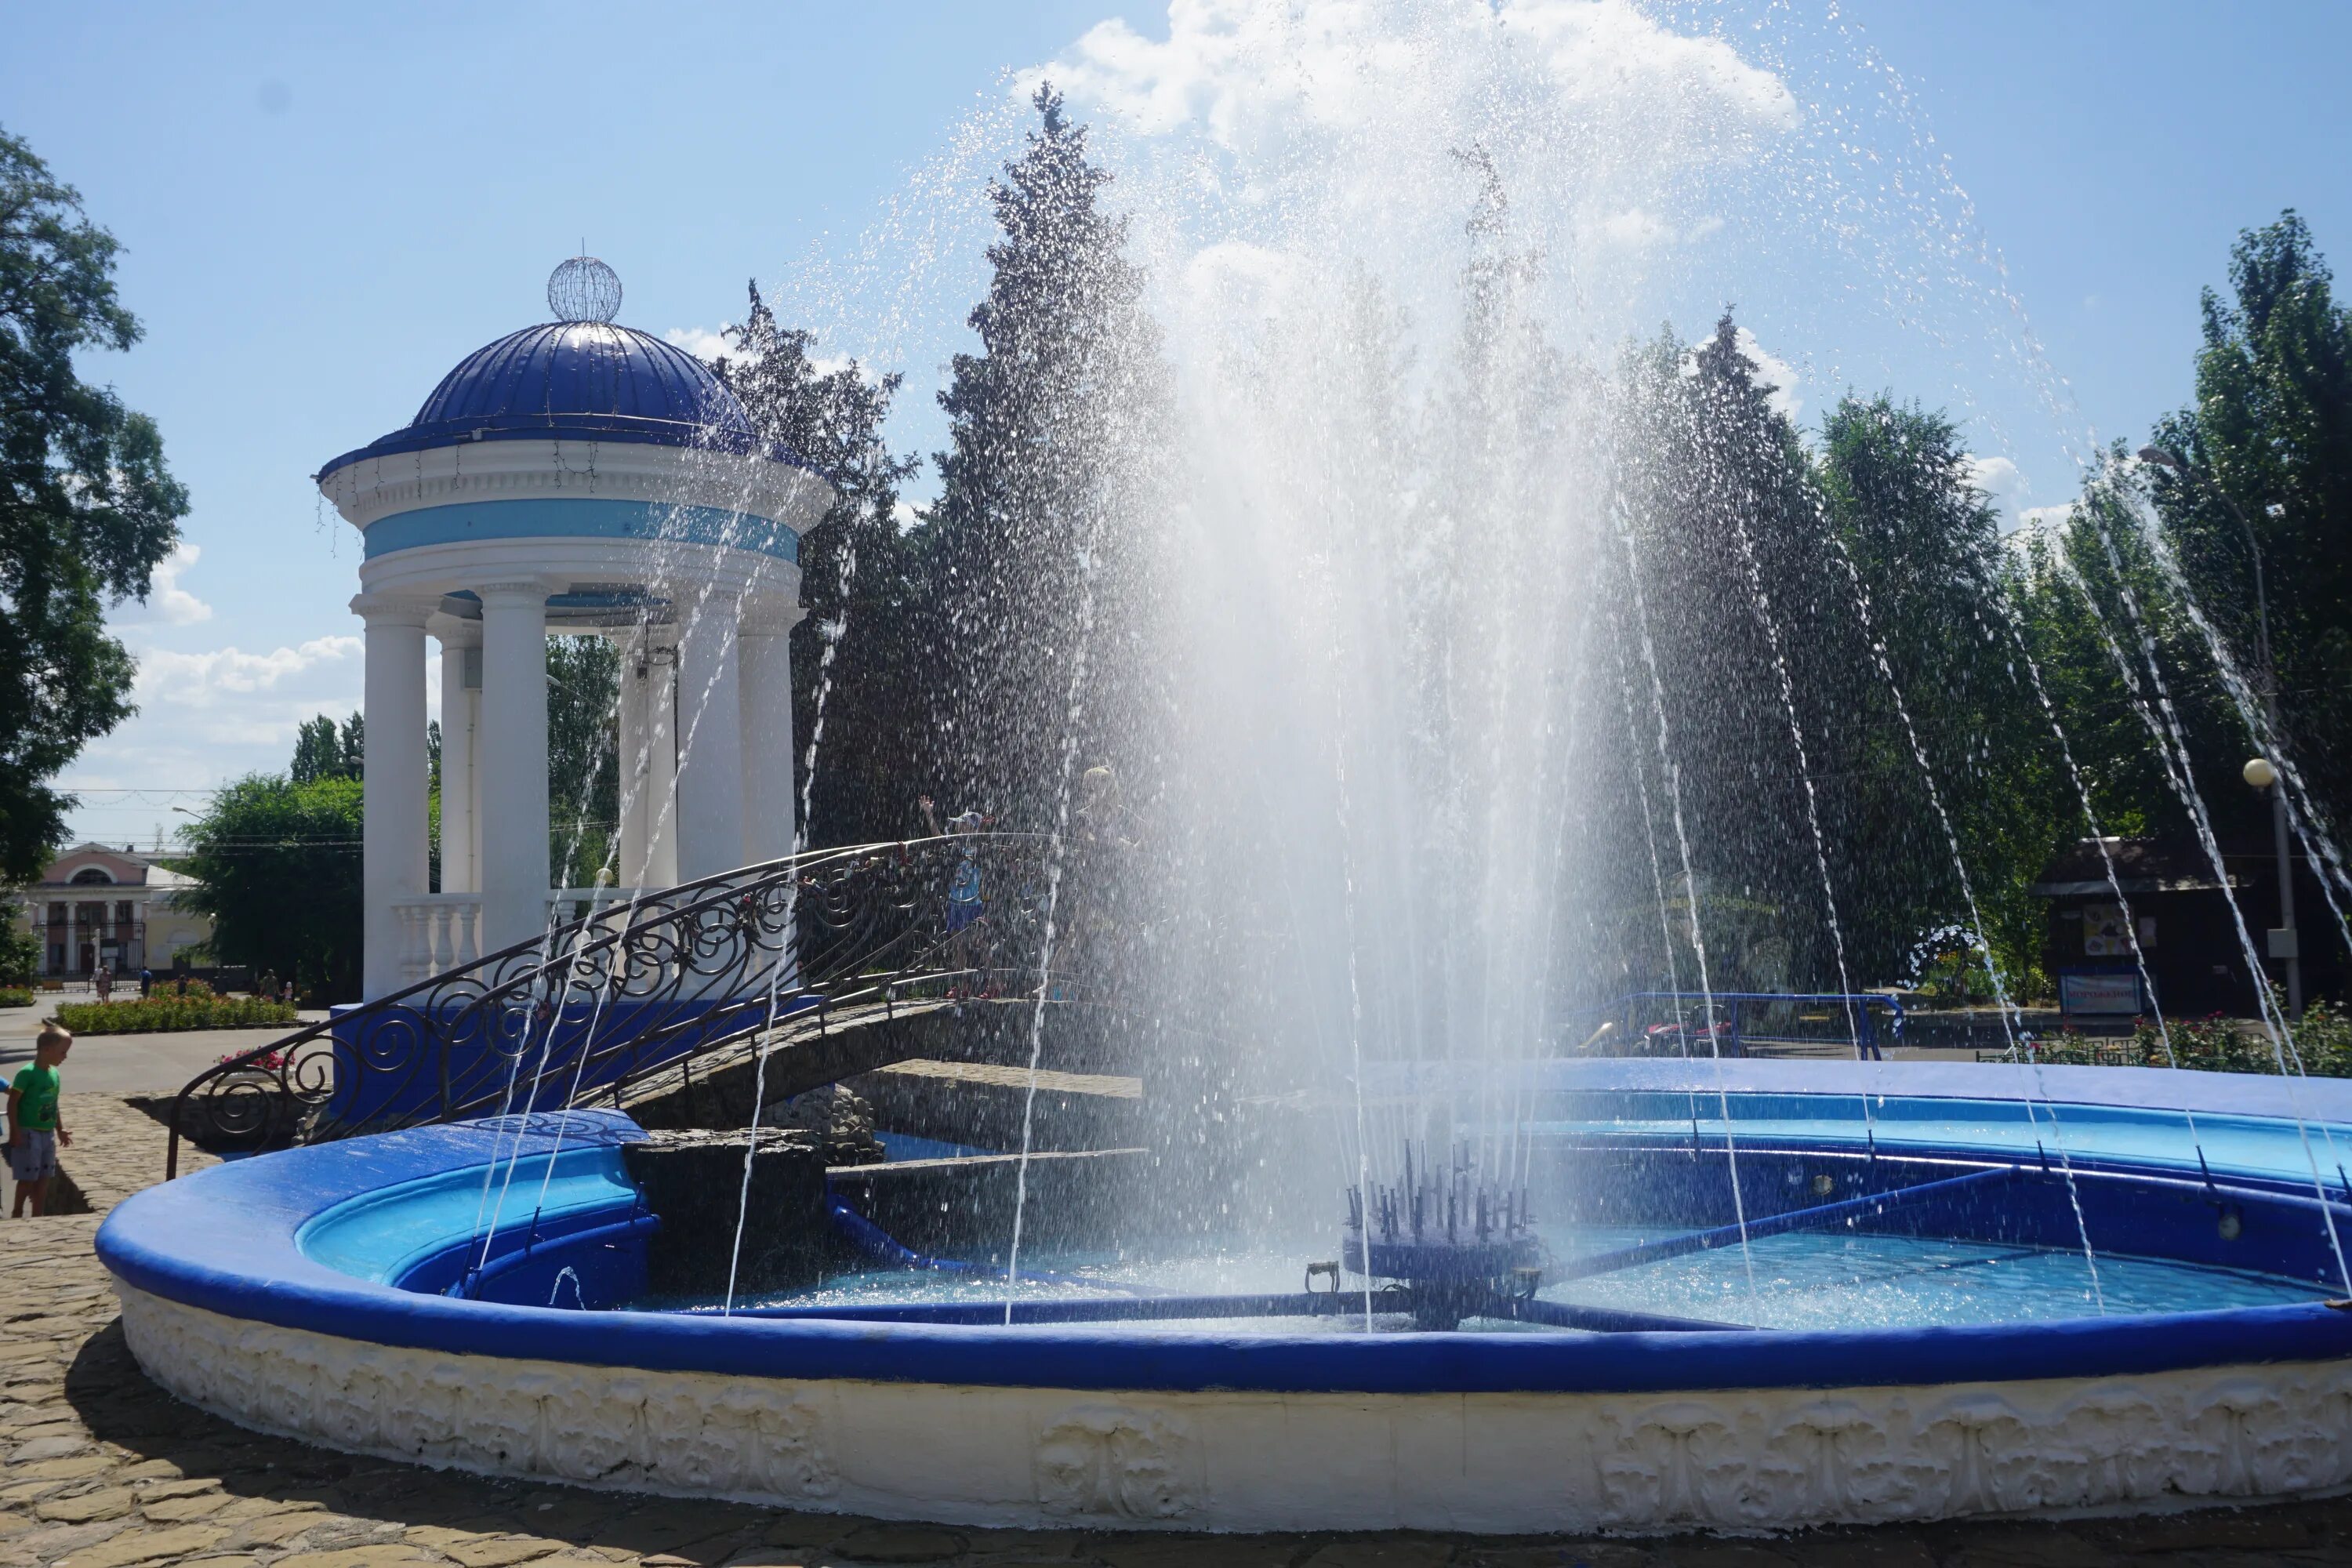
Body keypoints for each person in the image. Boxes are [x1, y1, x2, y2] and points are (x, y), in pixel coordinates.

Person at [9, 1025, 73, 1218]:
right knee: (28, 1177)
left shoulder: (54, 1074)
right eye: (63, 1052)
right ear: (47, 1050)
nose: (65, 1057)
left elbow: (53, 1103)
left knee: (45, 1177)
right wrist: (15, 1131)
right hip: (28, 1132)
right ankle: (17, 1212)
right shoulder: (27, 1073)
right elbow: (13, 1103)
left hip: (47, 1133)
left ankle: (38, 1215)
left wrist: (60, 1129)